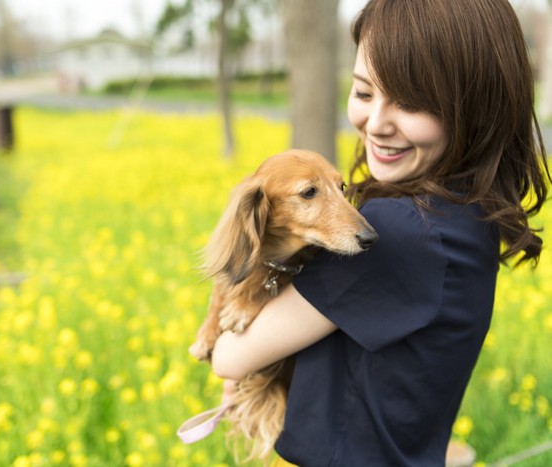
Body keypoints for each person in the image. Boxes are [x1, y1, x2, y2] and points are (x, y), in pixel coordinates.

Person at [211, 0, 551, 465]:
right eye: (364, 93)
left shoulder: (398, 233)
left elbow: (229, 358)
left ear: (476, 105)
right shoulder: (464, 214)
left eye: (411, 102)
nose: (375, 123)